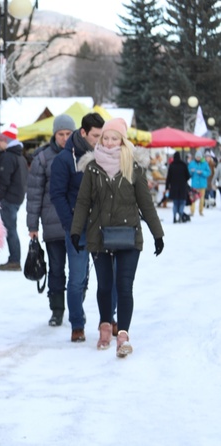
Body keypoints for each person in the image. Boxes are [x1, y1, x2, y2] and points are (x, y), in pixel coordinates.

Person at [70, 118, 164, 358]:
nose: (110, 142)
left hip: (128, 236)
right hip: (99, 236)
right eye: (106, 137)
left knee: (124, 286)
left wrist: (157, 234)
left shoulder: (133, 166)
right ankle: (104, 326)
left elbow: (146, 204)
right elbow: (83, 202)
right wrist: (75, 230)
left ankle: (122, 333)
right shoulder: (92, 167)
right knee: (104, 285)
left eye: (115, 138)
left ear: (122, 140)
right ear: (100, 139)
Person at [50, 112, 105, 342]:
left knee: (106, 278)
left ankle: (108, 321)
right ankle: (77, 324)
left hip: (101, 227)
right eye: (95, 136)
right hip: (77, 228)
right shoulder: (64, 159)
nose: (99, 140)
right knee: (77, 279)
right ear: (83, 133)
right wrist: (71, 226)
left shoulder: (104, 155)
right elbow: (57, 195)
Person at [26, 114, 75, 326]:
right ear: (54, 134)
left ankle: (76, 302)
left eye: (68, 134)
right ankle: (57, 309)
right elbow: (34, 194)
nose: (64, 138)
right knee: (56, 268)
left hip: (77, 222)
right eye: (61, 134)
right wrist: (32, 225)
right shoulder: (43, 158)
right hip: (52, 223)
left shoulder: (81, 155)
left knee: (78, 269)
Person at [0, 122, 28, 271]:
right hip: (16, 198)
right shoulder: (19, 156)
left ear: (6, 141)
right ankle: (14, 259)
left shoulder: (8, 157)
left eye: (0, 140)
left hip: (9, 199)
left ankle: (14, 260)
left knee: (10, 230)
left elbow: (3, 180)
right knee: (11, 229)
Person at [165, 151, 191, 223]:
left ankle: (174, 217)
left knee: (175, 203)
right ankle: (180, 215)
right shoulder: (184, 165)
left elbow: (168, 177)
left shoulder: (172, 165)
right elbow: (188, 176)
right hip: (182, 187)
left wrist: (167, 187)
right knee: (182, 202)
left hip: (174, 187)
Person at [188, 150, 210, 216]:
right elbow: (188, 173)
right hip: (194, 184)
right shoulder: (191, 163)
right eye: (197, 157)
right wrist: (191, 171)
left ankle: (201, 211)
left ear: (201, 157)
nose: (198, 158)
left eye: (199, 157)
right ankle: (192, 211)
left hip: (202, 184)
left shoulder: (205, 164)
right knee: (193, 198)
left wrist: (202, 172)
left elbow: (208, 173)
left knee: (202, 198)